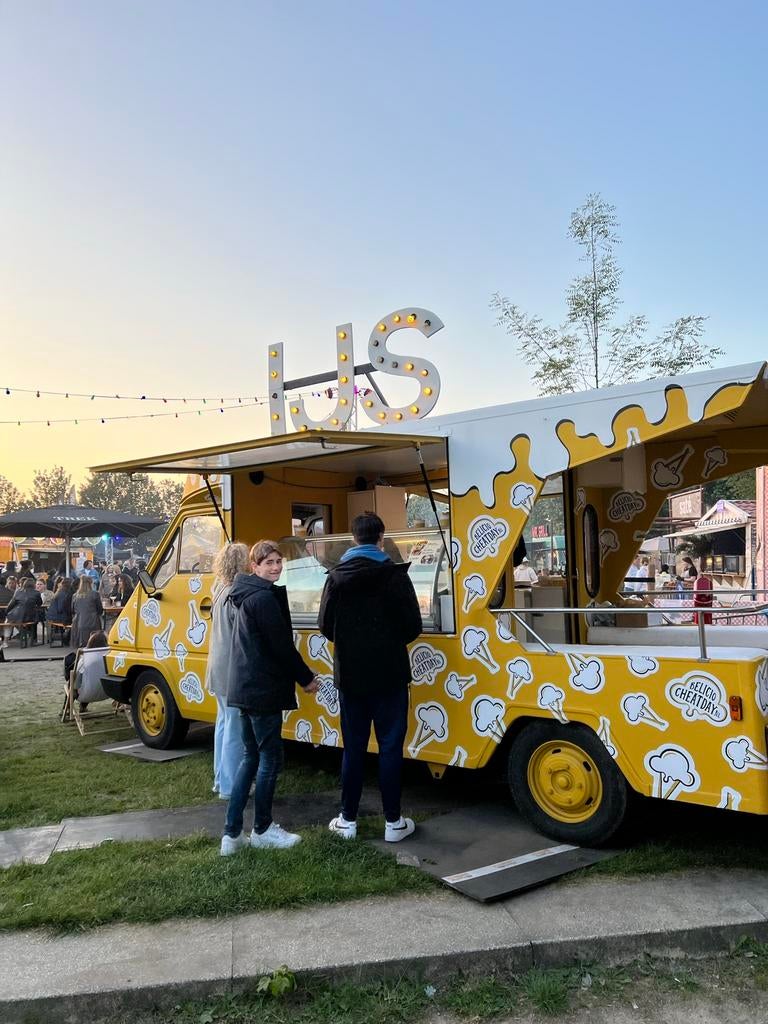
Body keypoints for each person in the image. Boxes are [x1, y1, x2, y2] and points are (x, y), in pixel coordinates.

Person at [319, 512, 423, 843]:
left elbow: (325, 625)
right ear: (381, 538)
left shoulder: (335, 578)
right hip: (391, 673)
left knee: (353, 747)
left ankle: (347, 820)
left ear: (353, 539)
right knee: (391, 746)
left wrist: (351, 643)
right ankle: (393, 822)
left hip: (350, 675)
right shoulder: (395, 576)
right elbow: (413, 626)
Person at [220, 540, 319, 856]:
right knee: (269, 759)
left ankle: (232, 834)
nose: (275, 567)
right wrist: (306, 678)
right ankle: (262, 828)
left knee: (250, 758)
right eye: (269, 562)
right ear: (255, 566)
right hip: (262, 689)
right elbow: (281, 647)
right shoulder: (262, 598)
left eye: (279, 561)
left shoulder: (243, 594)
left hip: (245, 687)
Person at [206, 542, 250, 800]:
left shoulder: (219, 590)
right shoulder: (237, 594)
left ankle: (220, 778)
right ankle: (230, 787)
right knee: (234, 728)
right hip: (232, 668)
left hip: (216, 666)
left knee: (223, 724)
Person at [68, 629, 110, 713]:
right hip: (107, 693)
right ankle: (83, 707)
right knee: (89, 679)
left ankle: (67, 709)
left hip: (86, 694)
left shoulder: (86, 659)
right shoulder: (109, 656)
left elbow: (76, 684)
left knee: (74, 681)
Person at [2, 578, 43, 647]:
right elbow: (40, 603)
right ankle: (28, 637)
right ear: (33, 585)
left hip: (17, 616)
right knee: (29, 623)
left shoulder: (18, 591)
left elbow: (11, 604)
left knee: (8, 623)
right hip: (30, 617)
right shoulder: (36, 593)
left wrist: (6, 612)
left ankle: (5, 642)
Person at [71, 577, 104, 649]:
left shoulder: (75, 596)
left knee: (82, 646)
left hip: (79, 622)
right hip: (93, 622)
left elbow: (73, 610)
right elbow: (100, 610)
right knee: (95, 645)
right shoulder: (95, 594)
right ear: (91, 583)